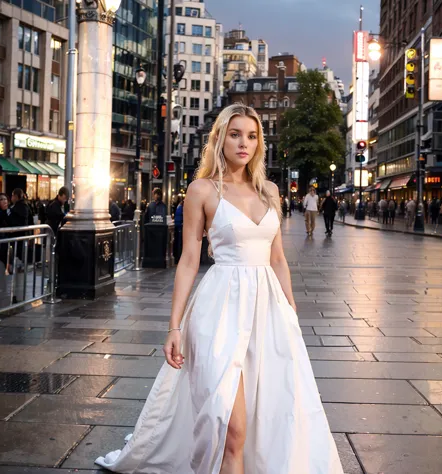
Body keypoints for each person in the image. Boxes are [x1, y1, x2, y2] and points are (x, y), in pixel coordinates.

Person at [95, 104, 343, 473]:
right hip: (220, 308)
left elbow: (277, 259)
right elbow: (189, 261)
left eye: (252, 135)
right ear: (220, 139)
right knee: (232, 427)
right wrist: (174, 326)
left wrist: (290, 314)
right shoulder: (202, 190)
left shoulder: (271, 190)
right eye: (235, 134)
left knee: (272, 419)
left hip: (268, 312)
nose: (244, 143)